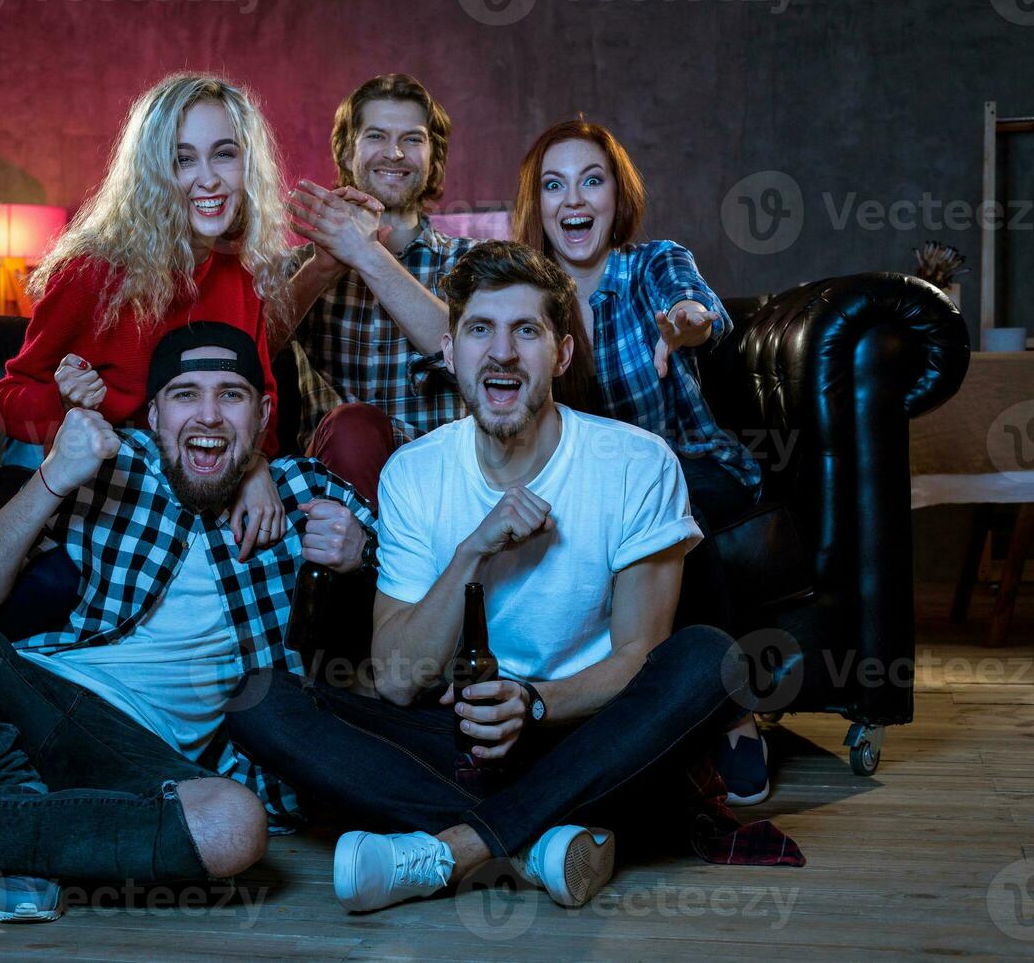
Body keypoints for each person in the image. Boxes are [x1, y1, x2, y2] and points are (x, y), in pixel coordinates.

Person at [0, 323, 378, 927]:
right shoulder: (116, 462)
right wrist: (53, 474)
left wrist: (355, 562)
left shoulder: (310, 495)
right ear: (156, 416)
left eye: (232, 395)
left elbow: (397, 653)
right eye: (186, 394)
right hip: (26, 701)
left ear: (264, 414)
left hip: (146, 764)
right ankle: (10, 805)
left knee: (236, 826)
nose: (209, 415)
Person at [228, 241, 765, 914]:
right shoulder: (414, 476)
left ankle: (453, 850)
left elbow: (638, 657)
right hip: (459, 737)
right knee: (258, 699)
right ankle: (546, 840)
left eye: (527, 331)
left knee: (706, 656)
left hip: (588, 728)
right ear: (450, 352)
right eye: (480, 330)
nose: (503, 352)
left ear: (561, 354)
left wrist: (534, 701)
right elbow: (398, 679)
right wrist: (472, 552)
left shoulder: (636, 463)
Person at [512, 118, 768, 804]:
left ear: (615, 196)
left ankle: (734, 708)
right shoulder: (528, 297)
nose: (574, 199)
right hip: (591, 494)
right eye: (554, 184)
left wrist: (686, 321)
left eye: (591, 180)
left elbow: (697, 304)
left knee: (668, 496)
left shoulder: (650, 263)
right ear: (536, 206)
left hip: (693, 468)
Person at [0, 73, 291, 560]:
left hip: (203, 493)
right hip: (105, 510)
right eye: (183, 159)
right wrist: (66, 406)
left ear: (247, 166)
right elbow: (8, 402)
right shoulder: (92, 273)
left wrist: (256, 466)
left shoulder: (241, 277)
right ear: (152, 172)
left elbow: (264, 397)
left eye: (225, 153)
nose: (209, 178)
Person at [273, 73, 480, 504]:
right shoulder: (298, 269)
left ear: (433, 155)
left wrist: (367, 254)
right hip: (333, 501)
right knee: (354, 427)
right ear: (348, 152)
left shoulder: (474, 264)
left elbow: (472, 355)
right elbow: (248, 355)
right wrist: (322, 268)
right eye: (376, 136)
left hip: (446, 497)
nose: (394, 153)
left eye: (413, 139)